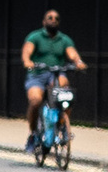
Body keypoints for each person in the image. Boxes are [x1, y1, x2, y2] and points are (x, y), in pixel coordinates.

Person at [21, 9, 86, 154]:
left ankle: (62, 126)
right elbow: (27, 51)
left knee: (66, 94)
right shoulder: (35, 36)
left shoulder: (64, 39)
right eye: (50, 18)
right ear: (44, 21)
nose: (53, 20)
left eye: (56, 18)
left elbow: (72, 54)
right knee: (35, 101)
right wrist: (27, 61)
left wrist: (78, 62)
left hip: (56, 73)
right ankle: (33, 134)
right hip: (37, 75)